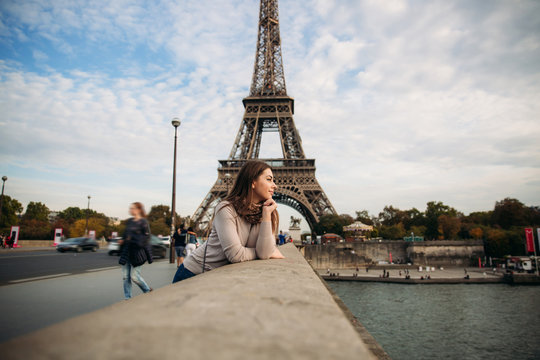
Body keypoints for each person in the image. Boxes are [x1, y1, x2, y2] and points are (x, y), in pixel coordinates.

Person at [173, 160, 284, 283]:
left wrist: (267, 215)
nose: (275, 185)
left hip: (218, 277)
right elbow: (236, 255)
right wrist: (260, 252)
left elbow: (265, 253)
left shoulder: (265, 211)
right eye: (269, 179)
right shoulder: (225, 209)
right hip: (193, 272)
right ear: (253, 182)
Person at [119, 202, 153, 300]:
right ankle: (127, 298)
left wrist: (132, 238)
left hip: (137, 253)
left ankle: (147, 290)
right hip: (126, 252)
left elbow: (146, 238)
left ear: (138, 210)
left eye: (133, 208)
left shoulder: (143, 222)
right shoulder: (129, 221)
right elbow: (126, 235)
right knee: (125, 277)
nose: (131, 210)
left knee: (134, 277)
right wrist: (123, 240)